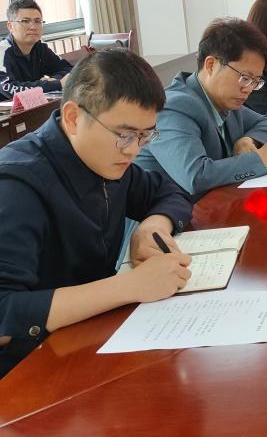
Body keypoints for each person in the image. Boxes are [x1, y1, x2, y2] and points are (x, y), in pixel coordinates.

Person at [0, 48, 193, 378]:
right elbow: (5, 314)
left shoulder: (105, 159)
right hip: (29, 372)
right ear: (74, 117)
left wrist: (152, 226)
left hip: (89, 339)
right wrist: (129, 287)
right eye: (124, 135)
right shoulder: (17, 185)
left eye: (145, 136)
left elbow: (169, 191)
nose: (134, 150)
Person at [135, 18, 267, 198]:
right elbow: (196, 176)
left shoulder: (225, 99)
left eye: (255, 81)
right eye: (245, 78)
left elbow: (266, 123)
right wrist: (264, 157)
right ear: (211, 65)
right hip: (171, 212)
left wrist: (247, 140)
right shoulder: (173, 108)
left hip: (215, 204)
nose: (249, 89)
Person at [0, 0, 72, 95]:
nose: (33, 27)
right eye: (25, 21)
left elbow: (68, 69)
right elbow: (8, 88)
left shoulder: (40, 46)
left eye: (37, 21)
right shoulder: (2, 51)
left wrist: (55, 79)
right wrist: (56, 84)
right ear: (10, 26)